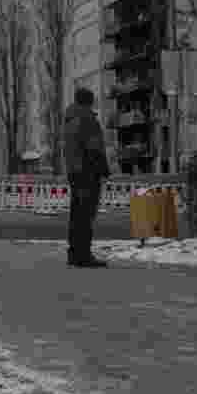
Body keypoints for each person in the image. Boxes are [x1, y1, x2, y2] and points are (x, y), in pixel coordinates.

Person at [63, 87, 111, 267]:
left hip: (74, 171)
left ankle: (74, 253)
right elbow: (94, 148)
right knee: (86, 214)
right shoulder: (87, 119)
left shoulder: (70, 119)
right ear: (89, 101)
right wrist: (103, 169)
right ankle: (83, 255)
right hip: (87, 172)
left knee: (76, 213)